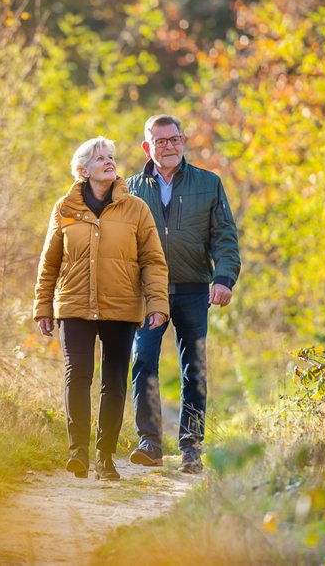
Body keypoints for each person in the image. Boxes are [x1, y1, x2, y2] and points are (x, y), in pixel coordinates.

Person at [33, 136, 169, 481]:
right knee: (77, 376)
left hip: (121, 305)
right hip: (74, 304)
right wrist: (43, 306)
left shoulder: (137, 208)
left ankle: (104, 456)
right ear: (83, 170)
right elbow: (49, 262)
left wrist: (157, 304)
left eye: (111, 157)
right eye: (100, 158)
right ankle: (78, 452)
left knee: (113, 382)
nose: (109, 162)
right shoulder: (64, 208)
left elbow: (153, 261)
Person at [126, 114, 241, 474]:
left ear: (183, 141)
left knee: (195, 369)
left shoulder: (208, 184)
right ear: (148, 147)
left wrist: (224, 278)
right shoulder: (129, 189)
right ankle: (150, 443)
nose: (169, 146)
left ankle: (191, 448)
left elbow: (224, 236)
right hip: (148, 293)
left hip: (194, 289)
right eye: (161, 141)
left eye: (174, 139)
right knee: (143, 360)